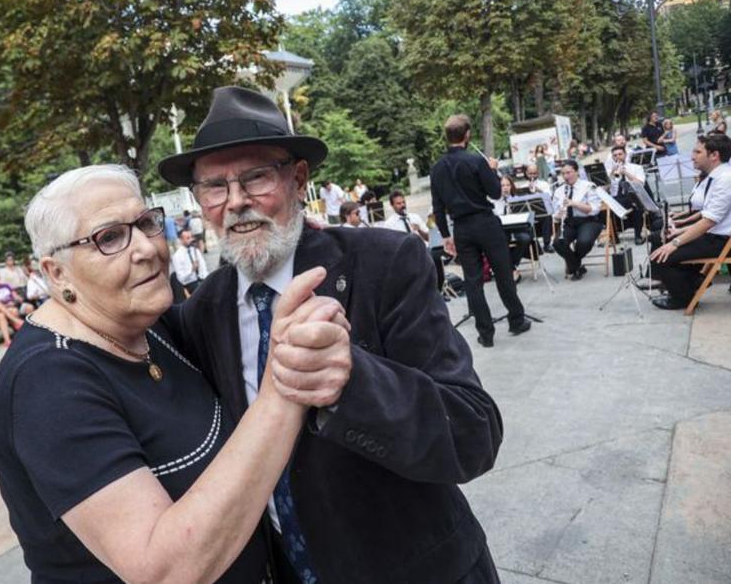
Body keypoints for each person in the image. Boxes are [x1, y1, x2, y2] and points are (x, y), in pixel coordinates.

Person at [157, 86, 503, 582]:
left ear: (298, 179)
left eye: (256, 177)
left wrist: (352, 382)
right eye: (214, 187)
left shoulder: (386, 263)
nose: (235, 202)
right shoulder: (201, 313)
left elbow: (474, 435)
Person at [0, 163, 341, 583]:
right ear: (56, 272)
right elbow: (165, 571)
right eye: (109, 237)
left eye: (146, 223)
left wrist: (285, 238)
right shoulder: (47, 385)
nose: (147, 248)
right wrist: (285, 386)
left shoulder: (150, 327)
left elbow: (229, 299)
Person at [431, 113, 530, 347]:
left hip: (462, 228)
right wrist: (492, 169)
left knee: (473, 281)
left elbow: (438, 206)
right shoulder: (476, 161)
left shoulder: (437, 168)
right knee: (503, 273)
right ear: (467, 135)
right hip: (485, 222)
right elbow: (496, 193)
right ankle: (516, 320)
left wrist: (446, 235)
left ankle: (485, 333)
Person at [650, 134, 731, 310]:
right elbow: (706, 216)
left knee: (662, 256)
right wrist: (679, 233)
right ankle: (692, 283)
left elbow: (708, 221)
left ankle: (684, 297)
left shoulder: (727, 178)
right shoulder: (717, 177)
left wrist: (675, 243)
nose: (692, 156)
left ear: (714, 155)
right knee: (659, 242)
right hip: (718, 236)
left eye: (698, 151)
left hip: (729, 242)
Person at [551, 159, 603, 280]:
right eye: (563, 174)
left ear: (577, 172)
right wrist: (559, 214)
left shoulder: (588, 186)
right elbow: (555, 215)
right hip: (569, 222)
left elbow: (594, 209)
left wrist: (574, 204)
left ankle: (573, 264)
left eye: (568, 173)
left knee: (584, 242)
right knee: (557, 243)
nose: (565, 176)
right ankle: (577, 266)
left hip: (589, 221)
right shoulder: (559, 191)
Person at [491, 175, 532, 280]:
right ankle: (512, 268)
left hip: (517, 227)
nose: (505, 188)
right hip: (501, 229)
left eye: (508, 185)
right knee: (500, 241)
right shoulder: (493, 201)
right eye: (502, 185)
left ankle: (510, 266)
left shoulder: (517, 198)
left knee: (525, 238)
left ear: (512, 186)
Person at [608, 145, 650, 244]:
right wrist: (612, 173)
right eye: (615, 155)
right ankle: (614, 237)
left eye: (620, 154)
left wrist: (625, 173)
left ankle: (638, 236)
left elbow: (640, 183)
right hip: (617, 198)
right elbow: (605, 187)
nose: (617, 157)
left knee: (636, 204)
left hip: (633, 196)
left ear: (625, 155)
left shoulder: (636, 167)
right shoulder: (610, 170)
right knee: (607, 207)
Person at [524, 163, 555, 252]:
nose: (532, 176)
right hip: (529, 214)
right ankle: (535, 246)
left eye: (534, 173)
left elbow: (549, 197)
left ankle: (547, 244)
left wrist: (538, 190)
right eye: (530, 173)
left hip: (541, 212)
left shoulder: (544, 184)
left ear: (537, 173)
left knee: (547, 216)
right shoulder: (523, 186)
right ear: (526, 173)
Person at [171, 228, 209, 294]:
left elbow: (203, 266)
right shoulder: (177, 256)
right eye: (188, 238)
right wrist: (191, 270)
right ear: (181, 240)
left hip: (202, 279)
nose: (191, 240)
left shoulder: (195, 250)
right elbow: (181, 278)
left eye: (191, 237)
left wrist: (206, 278)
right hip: (190, 283)